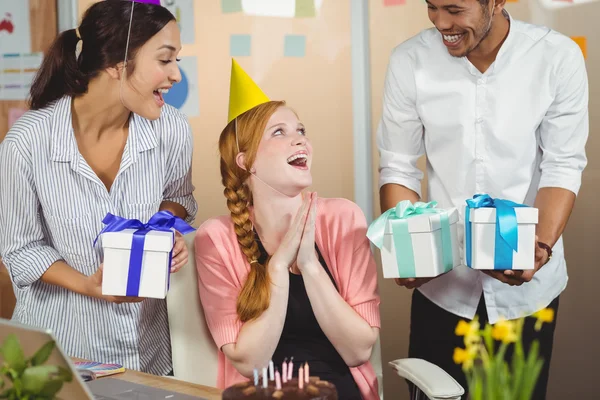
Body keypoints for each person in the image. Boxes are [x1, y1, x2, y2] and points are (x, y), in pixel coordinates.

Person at [376, 0, 588, 398]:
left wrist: (538, 248)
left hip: (526, 296)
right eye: (432, 7)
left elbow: (562, 165)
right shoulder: (410, 61)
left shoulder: (556, 57)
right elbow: (398, 167)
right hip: (442, 289)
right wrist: (405, 249)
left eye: (454, 9)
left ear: (497, 2)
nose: (441, 23)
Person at [0, 0, 197, 376]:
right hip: (60, 349)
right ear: (116, 64)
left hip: (147, 346)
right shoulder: (28, 142)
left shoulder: (172, 129)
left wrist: (165, 231)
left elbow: (178, 198)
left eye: (178, 61)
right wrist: (88, 285)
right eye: (165, 60)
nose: (175, 75)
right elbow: (18, 250)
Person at [194, 60, 381, 399]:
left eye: (301, 131)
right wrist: (278, 266)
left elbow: (359, 351)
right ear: (245, 161)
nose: (301, 142)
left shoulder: (343, 219)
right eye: (279, 132)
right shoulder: (216, 239)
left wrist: (309, 265)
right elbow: (250, 362)